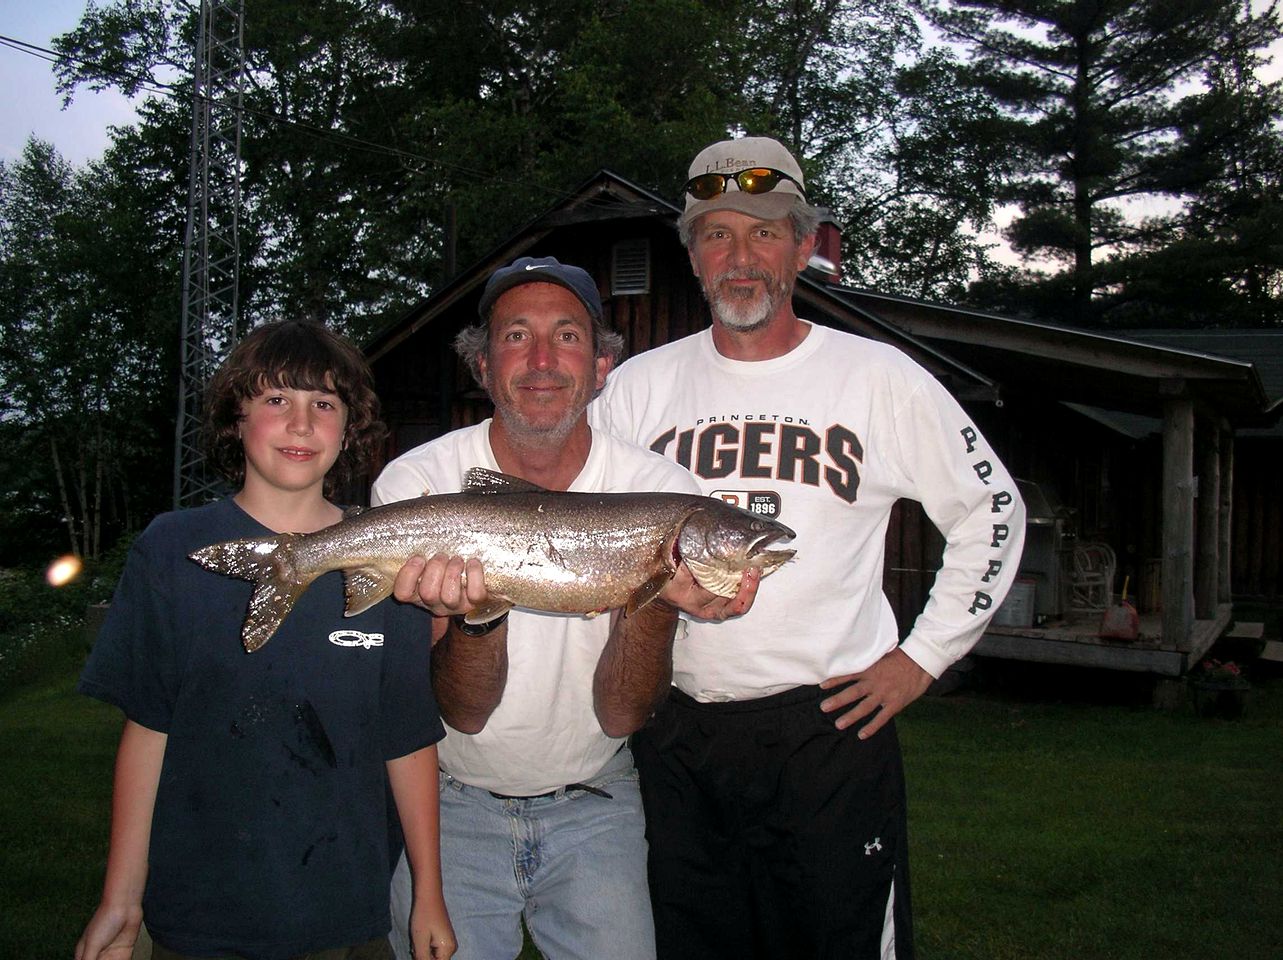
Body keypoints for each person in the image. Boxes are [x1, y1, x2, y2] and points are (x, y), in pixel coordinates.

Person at [589, 135, 1026, 959]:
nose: (740, 256)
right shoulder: (637, 389)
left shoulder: (878, 376)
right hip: (674, 735)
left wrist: (921, 657)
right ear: (691, 255)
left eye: (764, 232)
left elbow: (991, 510)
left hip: (826, 733)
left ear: (804, 246)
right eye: (716, 233)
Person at [373, 256, 755, 960]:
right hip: (447, 802)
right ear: (482, 367)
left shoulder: (660, 489)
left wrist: (657, 599)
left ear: (603, 365)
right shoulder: (419, 483)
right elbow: (462, 712)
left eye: (568, 336)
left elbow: (621, 716)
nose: (543, 359)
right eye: (516, 336)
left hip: (597, 803)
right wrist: (477, 614)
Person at [75, 321, 455, 960]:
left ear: (350, 428)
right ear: (236, 418)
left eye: (325, 404)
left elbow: (408, 736)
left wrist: (429, 894)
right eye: (277, 399)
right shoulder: (171, 550)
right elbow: (148, 729)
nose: (302, 424)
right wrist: (121, 896)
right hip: (196, 912)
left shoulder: (397, 560)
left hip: (345, 912)